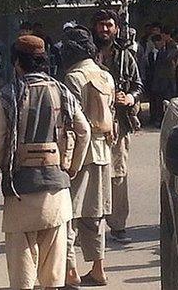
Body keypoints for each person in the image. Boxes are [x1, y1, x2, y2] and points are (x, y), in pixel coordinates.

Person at [0, 34, 90, 290]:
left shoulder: (8, 95)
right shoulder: (62, 91)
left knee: (22, 268)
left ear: (17, 62)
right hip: (56, 189)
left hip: (20, 191)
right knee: (53, 271)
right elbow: (83, 130)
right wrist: (71, 168)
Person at [60, 27, 116, 287]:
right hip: (103, 150)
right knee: (95, 214)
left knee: (69, 214)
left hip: (80, 153)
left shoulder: (72, 77)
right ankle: (98, 268)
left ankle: (70, 270)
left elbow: (72, 122)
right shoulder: (105, 75)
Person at [91, 10, 143, 243]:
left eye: (109, 25)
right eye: (101, 25)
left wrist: (130, 98)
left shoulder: (125, 57)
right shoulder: (86, 55)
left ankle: (118, 225)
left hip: (119, 123)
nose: (105, 29)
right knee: (89, 173)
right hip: (91, 123)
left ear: (116, 29)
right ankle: (89, 225)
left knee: (118, 174)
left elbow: (139, 85)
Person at [147, 34, 178, 127]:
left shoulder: (168, 51)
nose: (158, 44)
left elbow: (172, 54)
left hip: (168, 81)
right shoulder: (152, 53)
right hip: (157, 82)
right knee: (158, 103)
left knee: (168, 102)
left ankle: (167, 122)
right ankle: (158, 120)